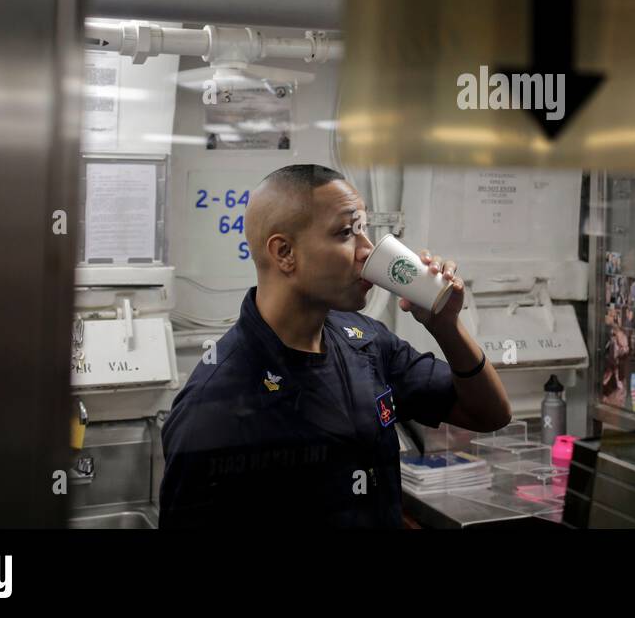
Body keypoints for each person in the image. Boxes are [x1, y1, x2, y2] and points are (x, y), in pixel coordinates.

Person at [159, 164, 512, 528]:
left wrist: (446, 326)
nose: (367, 250)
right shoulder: (214, 402)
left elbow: (490, 414)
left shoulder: (367, 342)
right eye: (346, 233)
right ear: (284, 253)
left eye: (364, 230)